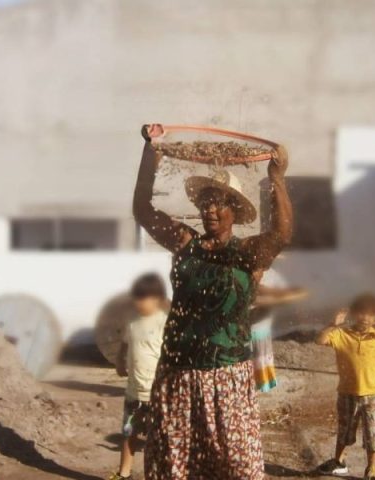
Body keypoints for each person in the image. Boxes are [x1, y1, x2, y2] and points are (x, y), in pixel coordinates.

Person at [133, 124, 293, 480]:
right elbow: (143, 211)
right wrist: (150, 155)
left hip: (227, 377)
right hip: (178, 373)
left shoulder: (249, 254)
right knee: (175, 468)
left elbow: (282, 234)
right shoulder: (185, 243)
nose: (212, 211)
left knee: (238, 468)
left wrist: (278, 178)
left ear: (235, 211)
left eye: (221, 204)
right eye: (206, 203)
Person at [315, 294, 375, 480]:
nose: (365, 318)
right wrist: (333, 324)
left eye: (370, 315)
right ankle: (339, 461)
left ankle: (372, 468)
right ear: (353, 314)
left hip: (372, 394)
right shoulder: (341, 334)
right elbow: (320, 340)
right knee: (344, 430)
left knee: (372, 433)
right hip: (346, 393)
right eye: (361, 313)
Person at [110, 273, 168, 480]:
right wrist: (119, 360)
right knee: (128, 434)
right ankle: (123, 473)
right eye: (137, 298)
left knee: (157, 439)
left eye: (144, 298)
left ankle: (156, 474)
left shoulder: (163, 322)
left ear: (157, 299)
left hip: (156, 394)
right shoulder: (132, 321)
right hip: (133, 393)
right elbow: (125, 343)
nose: (139, 302)